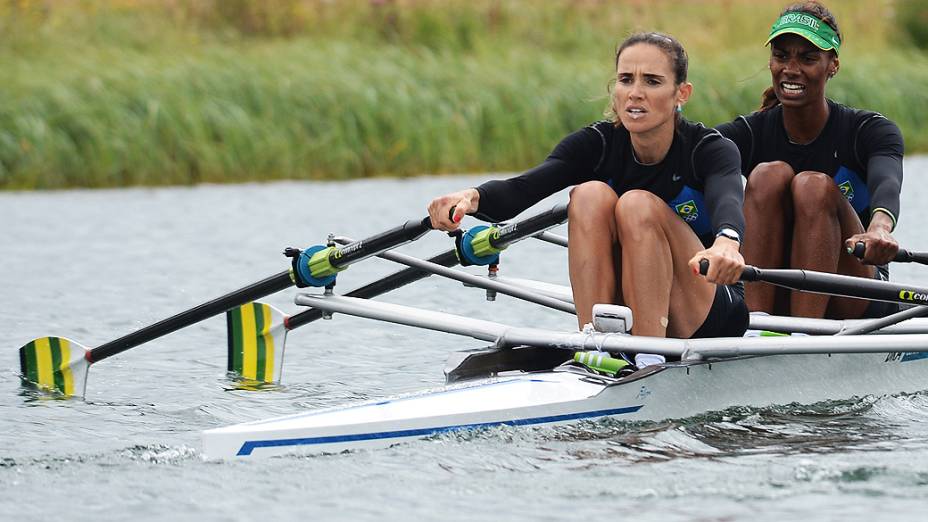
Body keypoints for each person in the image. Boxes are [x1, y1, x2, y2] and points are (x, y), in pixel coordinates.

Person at [427, 32, 749, 348]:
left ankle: (650, 358)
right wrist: (469, 197)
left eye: (652, 81)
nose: (635, 93)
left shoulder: (709, 149)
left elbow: (728, 200)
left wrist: (726, 243)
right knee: (588, 195)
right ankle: (595, 344)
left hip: (708, 310)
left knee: (636, 204)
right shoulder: (597, 144)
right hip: (634, 300)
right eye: (626, 79)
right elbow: (522, 189)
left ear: (682, 94)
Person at [716, 1, 905, 319]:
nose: (791, 69)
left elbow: (887, 183)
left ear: (833, 65)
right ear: (771, 61)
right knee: (767, 175)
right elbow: (686, 156)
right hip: (774, 287)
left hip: (853, 290)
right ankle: (757, 325)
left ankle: (804, 330)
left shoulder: (870, 131)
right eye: (781, 56)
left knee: (813, 186)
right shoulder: (749, 132)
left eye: (807, 58)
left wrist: (880, 228)